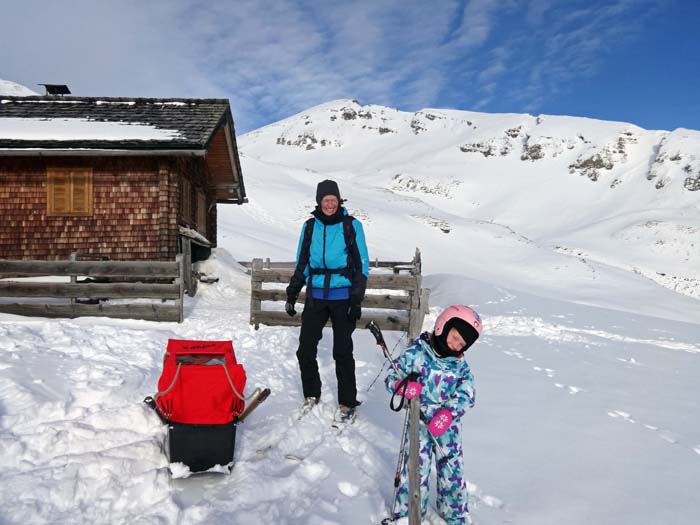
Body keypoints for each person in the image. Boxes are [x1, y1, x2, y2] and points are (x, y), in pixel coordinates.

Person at [384, 305, 483, 525]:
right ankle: (407, 513)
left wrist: (449, 413)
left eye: (462, 343)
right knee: (415, 469)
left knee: (452, 471)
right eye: (455, 337)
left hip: (447, 427)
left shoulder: (460, 366)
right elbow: (392, 375)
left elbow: (467, 394)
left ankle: (454, 514)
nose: (456, 345)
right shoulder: (415, 354)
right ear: (442, 326)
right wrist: (403, 387)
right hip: (418, 423)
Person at [286, 179, 370, 423]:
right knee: (305, 349)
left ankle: (347, 401)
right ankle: (311, 393)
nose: (330, 204)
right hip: (315, 297)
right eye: (326, 200)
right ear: (319, 202)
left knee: (342, 351)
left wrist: (356, 299)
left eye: (333, 200)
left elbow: (361, 263)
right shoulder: (310, 227)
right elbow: (302, 260)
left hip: (343, 297)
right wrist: (293, 291)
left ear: (339, 201)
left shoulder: (351, 225)